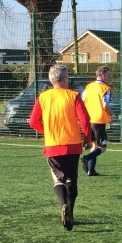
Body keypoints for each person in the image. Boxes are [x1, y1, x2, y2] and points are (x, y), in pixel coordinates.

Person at [28, 63, 91, 231]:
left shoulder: (43, 97)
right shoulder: (73, 96)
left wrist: (47, 131)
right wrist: (88, 138)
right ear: (64, 79)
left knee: (58, 179)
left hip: (53, 145)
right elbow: (84, 120)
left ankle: (63, 205)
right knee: (72, 179)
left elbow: (33, 121)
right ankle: (70, 213)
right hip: (73, 145)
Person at [81, 66, 113, 177]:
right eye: (108, 75)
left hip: (89, 119)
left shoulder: (89, 87)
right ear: (103, 76)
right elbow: (105, 105)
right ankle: (86, 158)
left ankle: (91, 170)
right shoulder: (105, 88)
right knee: (102, 147)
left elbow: (82, 100)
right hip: (99, 120)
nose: (109, 78)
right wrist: (111, 113)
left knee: (94, 145)